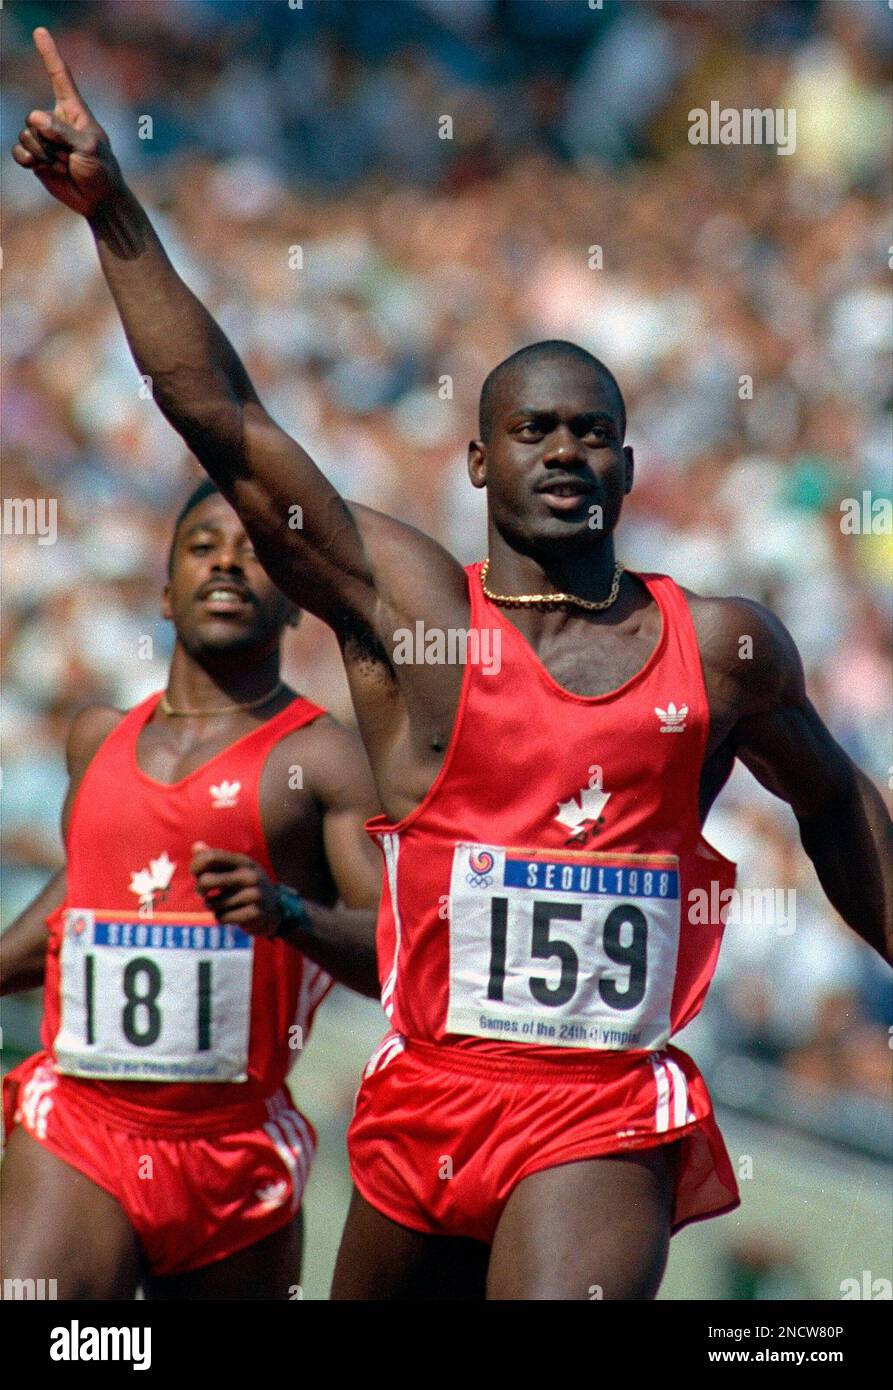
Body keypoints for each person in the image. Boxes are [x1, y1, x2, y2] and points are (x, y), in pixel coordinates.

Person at [12, 28, 892, 1301]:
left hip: (595, 1111)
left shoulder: (722, 646)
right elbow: (227, 421)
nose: (564, 452)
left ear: (630, 469)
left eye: (594, 434)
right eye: (530, 429)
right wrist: (115, 212)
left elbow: (834, 804)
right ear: (478, 462)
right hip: (423, 1097)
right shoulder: (412, 612)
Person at [1, 478, 383, 1300]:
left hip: (232, 1150)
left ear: (295, 604)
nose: (225, 565)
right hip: (80, 1124)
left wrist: (288, 915)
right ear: (165, 593)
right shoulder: (96, 739)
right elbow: (84, 899)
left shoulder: (321, 761)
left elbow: (399, 955)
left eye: (255, 554)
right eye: (202, 546)